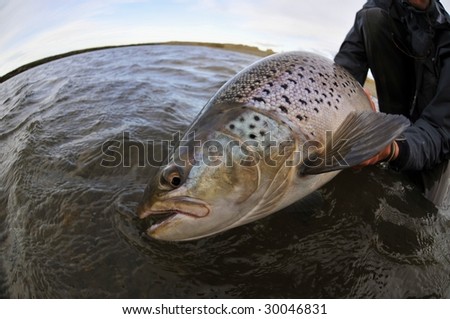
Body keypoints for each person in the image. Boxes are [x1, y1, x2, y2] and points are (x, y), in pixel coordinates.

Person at [335, 0, 450, 207]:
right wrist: (350, 100)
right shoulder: (375, 9)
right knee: (373, 18)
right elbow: (341, 78)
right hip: (391, 123)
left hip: (434, 141)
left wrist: (393, 148)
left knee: (419, 216)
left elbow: (441, 129)